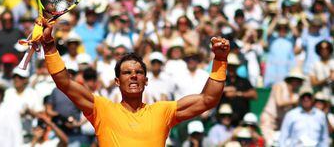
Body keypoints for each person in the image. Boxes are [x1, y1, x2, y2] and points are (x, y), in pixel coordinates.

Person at [39, 19, 230, 146]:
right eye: (127, 72)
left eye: (139, 72)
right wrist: (49, 46)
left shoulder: (162, 111)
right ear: (116, 81)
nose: (133, 76)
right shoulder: (102, 109)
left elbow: (208, 100)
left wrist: (220, 60)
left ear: (146, 81)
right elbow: (64, 82)